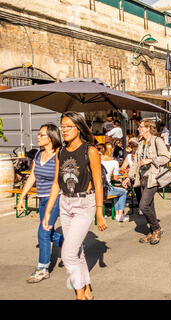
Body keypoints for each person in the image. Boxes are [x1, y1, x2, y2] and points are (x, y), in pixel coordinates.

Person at [42, 112, 107, 300]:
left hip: (84, 203)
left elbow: (98, 183)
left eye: (69, 126)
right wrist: (48, 213)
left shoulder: (91, 151)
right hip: (65, 202)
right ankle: (87, 290)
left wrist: (100, 213)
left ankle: (79, 294)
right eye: (62, 126)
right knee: (77, 252)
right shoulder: (60, 152)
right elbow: (56, 183)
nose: (64, 130)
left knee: (68, 254)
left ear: (78, 128)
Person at [18, 124, 64, 283]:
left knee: (43, 232)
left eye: (41, 134)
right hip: (42, 199)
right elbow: (32, 176)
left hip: (56, 198)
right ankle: (71, 247)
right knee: (49, 233)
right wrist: (22, 197)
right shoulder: (38, 154)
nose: (38, 137)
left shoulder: (59, 154)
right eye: (38, 134)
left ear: (51, 137)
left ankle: (43, 268)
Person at [122, 119, 170, 245]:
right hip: (142, 178)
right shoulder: (141, 143)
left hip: (153, 179)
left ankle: (157, 228)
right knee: (150, 206)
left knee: (143, 206)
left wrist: (150, 160)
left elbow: (166, 157)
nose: (139, 129)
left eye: (141, 127)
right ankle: (152, 231)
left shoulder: (157, 141)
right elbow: (136, 163)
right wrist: (129, 177)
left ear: (148, 128)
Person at [101, 142, 129, 222]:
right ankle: (120, 215)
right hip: (107, 189)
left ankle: (117, 213)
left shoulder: (98, 160)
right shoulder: (114, 162)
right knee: (123, 192)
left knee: (117, 191)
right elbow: (116, 178)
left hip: (96, 189)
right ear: (112, 150)